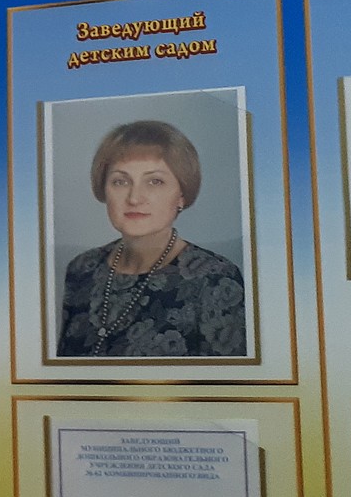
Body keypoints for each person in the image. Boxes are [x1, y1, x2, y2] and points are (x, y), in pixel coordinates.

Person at [56, 119, 247, 357]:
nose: (134, 198)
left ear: (181, 195)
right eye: (120, 181)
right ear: (104, 189)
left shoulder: (215, 278)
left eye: (155, 181)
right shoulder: (82, 269)